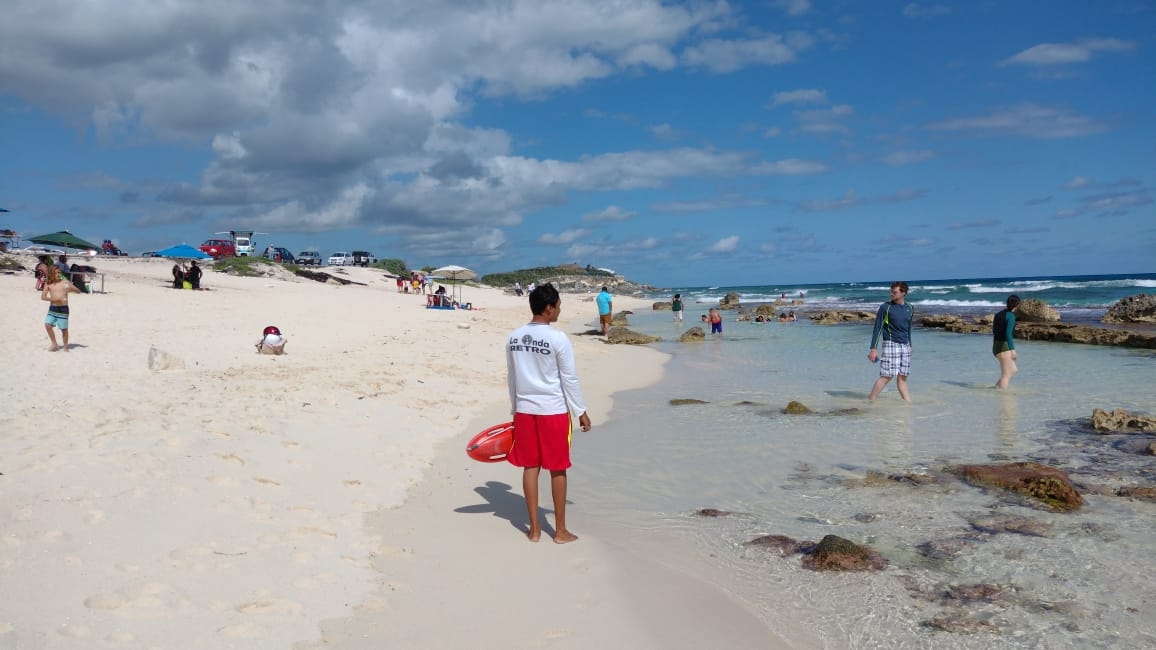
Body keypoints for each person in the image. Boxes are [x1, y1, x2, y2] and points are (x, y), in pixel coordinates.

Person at [506, 283, 591, 544]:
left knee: (530, 467)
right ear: (548, 307)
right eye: (558, 306)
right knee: (557, 468)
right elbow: (570, 378)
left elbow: (512, 377)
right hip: (552, 411)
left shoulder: (514, 337)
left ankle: (534, 530)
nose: (559, 310)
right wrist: (581, 411)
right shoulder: (557, 338)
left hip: (524, 410)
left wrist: (514, 409)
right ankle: (560, 531)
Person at [867, 281, 915, 401]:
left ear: (903, 293)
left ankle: (907, 404)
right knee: (887, 376)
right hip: (890, 344)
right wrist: (873, 349)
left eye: (895, 292)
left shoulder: (910, 308)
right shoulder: (885, 307)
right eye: (891, 291)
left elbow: (908, 328)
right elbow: (877, 328)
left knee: (903, 377)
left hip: (905, 345)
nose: (891, 294)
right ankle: (871, 401)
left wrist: (910, 345)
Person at [41, 265, 82, 352]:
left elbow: (78, 291)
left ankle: (65, 347)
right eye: (56, 273)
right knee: (47, 325)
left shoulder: (65, 282)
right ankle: (54, 343)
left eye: (59, 272)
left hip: (63, 309)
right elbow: (43, 297)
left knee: (64, 329)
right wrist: (53, 299)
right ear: (51, 274)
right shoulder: (48, 283)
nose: (58, 274)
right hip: (53, 308)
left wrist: (71, 288)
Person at [993, 294, 1021, 389]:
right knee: (1007, 375)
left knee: (1013, 370)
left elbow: (994, 331)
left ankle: (995, 390)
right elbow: (1008, 334)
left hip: (996, 346)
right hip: (1003, 347)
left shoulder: (998, 314)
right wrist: (1012, 350)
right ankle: (1003, 397)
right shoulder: (1011, 316)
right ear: (1017, 305)